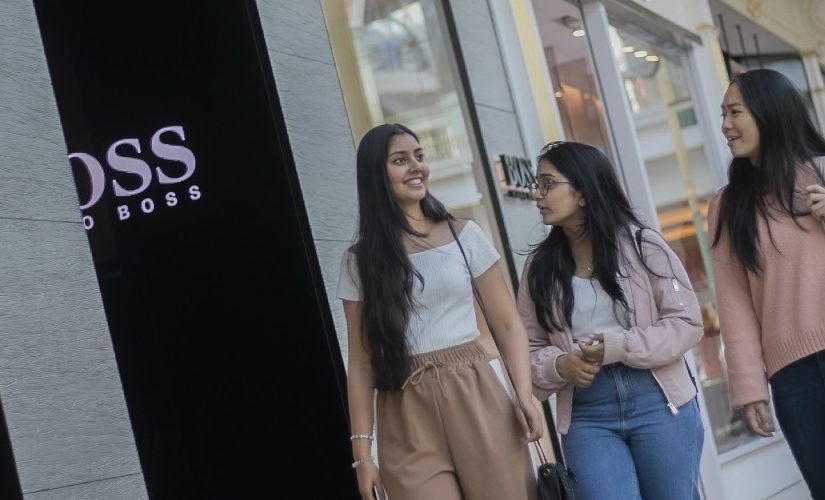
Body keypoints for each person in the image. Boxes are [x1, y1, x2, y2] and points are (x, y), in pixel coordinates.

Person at [337, 123, 543, 500]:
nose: (416, 167)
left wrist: (525, 395)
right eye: (400, 160)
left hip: (475, 390)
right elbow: (361, 362)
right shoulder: (359, 262)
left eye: (419, 156)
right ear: (375, 175)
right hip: (403, 406)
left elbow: (508, 323)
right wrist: (362, 456)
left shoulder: (463, 235)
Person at [516, 140, 705, 500]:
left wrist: (620, 346)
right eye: (536, 185)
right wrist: (560, 366)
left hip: (658, 401)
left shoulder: (643, 246)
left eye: (548, 183)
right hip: (588, 413)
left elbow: (686, 322)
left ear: (584, 192)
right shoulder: (538, 268)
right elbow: (527, 349)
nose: (538, 195)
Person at [710, 68, 825, 498]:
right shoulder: (726, 206)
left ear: (769, 112)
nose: (725, 125)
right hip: (792, 377)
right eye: (723, 113)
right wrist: (748, 387)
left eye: (735, 112)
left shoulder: (822, 173)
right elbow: (734, 302)